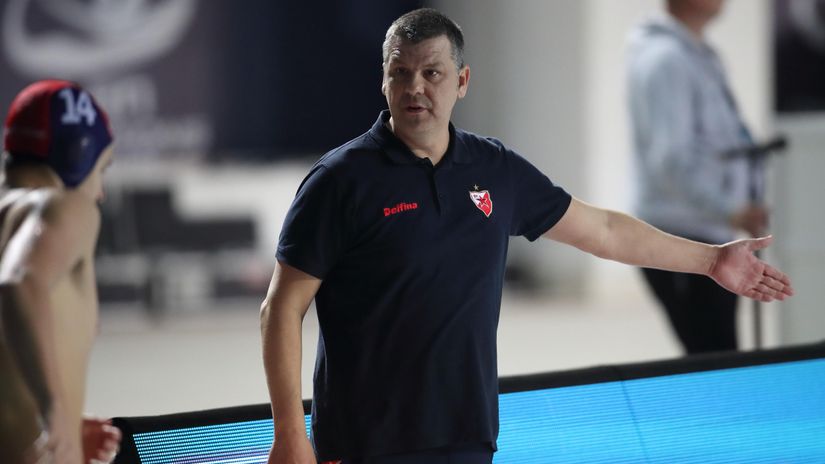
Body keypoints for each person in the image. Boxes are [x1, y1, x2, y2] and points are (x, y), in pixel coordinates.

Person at [261, 8, 792, 464]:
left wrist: (710, 260)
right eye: (400, 72)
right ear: (384, 81)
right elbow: (281, 308)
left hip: (466, 436)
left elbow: (604, 231)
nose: (415, 87)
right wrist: (289, 433)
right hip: (363, 444)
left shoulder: (495, 169)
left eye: (431, 72)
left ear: (462, 81)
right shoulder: (340, 181)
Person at [626, 0, 768, 354]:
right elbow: (671, 160)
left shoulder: (696, 55)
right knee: (712, 359)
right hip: (683, 234)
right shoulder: (667, 60)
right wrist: (730, 210)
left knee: (717, 356)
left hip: (704, 230)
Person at [0, 80, 121, 463]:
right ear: (79, 157)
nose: (100, 191)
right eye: (103, 168)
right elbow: (20, 281)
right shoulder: (66, 206)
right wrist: (54, 417)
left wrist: (66, 421)